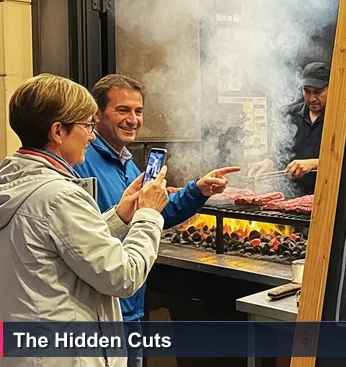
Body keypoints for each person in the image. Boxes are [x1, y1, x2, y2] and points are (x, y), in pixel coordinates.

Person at [0, 74, 169, 367]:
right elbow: (123, 276)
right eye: (86, 126)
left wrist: (120, 215)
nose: (91, 136)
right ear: (57, 132)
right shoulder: (59, 196)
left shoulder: (15, 182)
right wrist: (148, 214)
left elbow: (65, 245)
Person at [72, 74, 240, 367]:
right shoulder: (83, 162)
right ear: (96, 116)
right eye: (122, 110)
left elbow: (153, 213)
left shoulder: (125, 161)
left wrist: (197, 190)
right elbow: (91, 236)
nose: (133, 120)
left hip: (132, 304)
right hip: (104, 311)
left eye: (138, 111)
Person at [249, 62, 329, 196]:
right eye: (307, 91)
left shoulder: (341, 119)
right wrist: (269, 162)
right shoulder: (290, 115)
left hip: (326, 196)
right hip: (291, 196)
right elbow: (281, 152)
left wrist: (315, 163)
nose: (311, 98)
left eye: (318, 92)